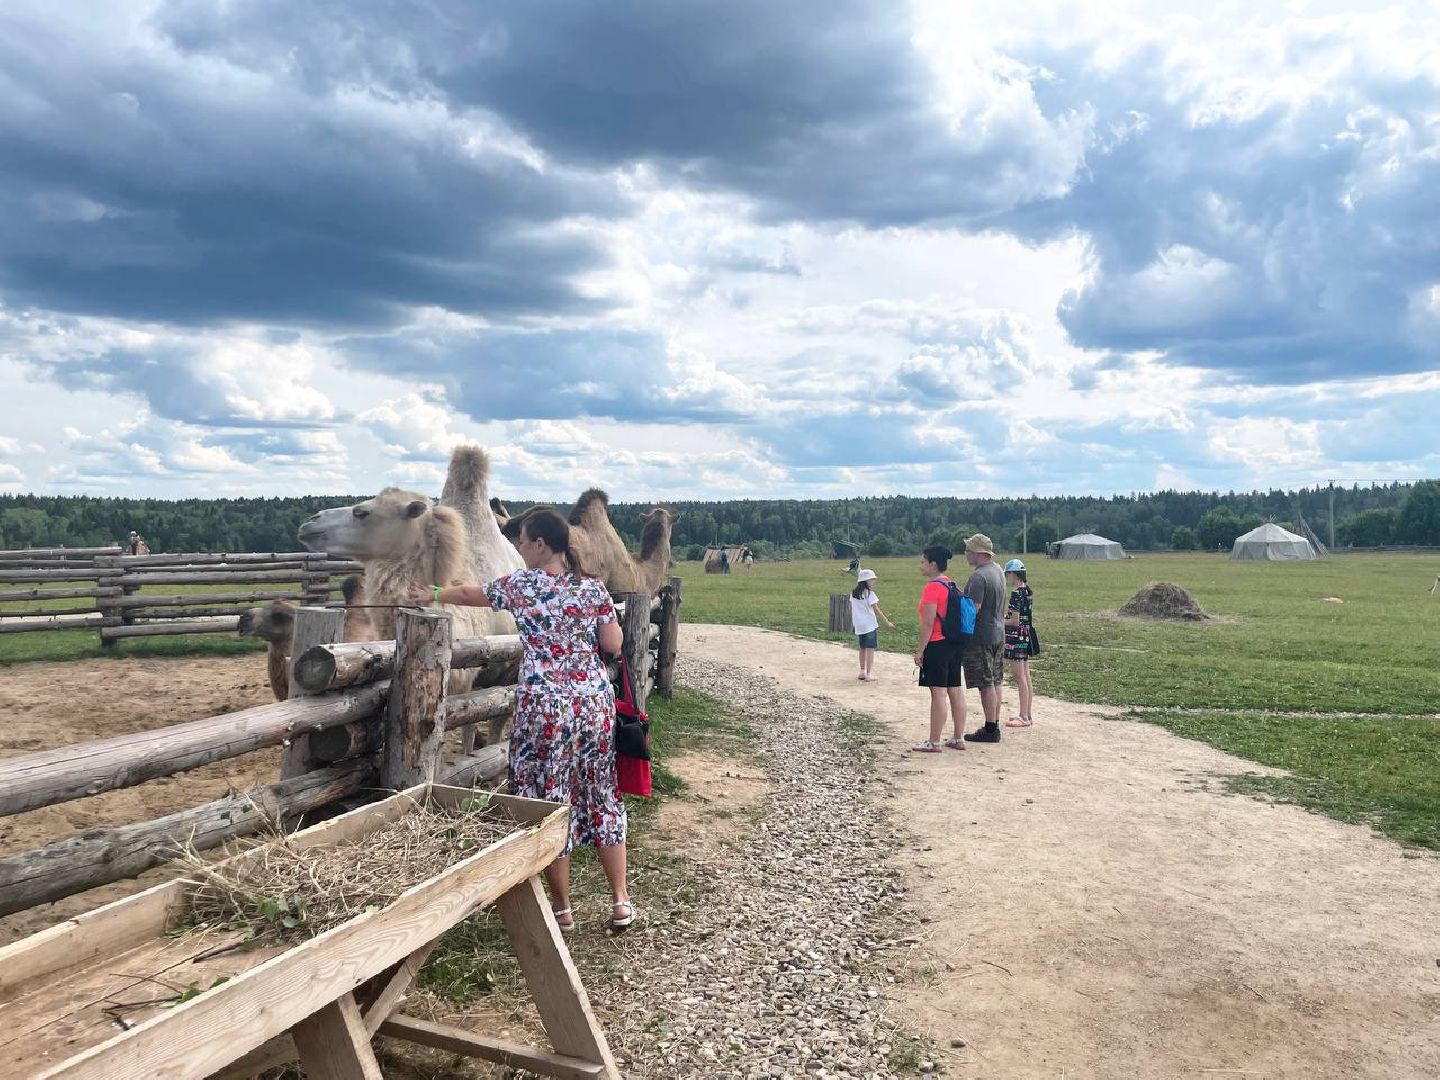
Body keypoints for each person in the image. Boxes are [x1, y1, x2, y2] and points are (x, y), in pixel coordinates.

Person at [406, 508, 634, 932]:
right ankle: (620, 901)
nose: (519, 548)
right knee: (601, 795)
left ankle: (563, 909)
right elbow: (612, 642)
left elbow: (474, 595)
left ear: (541, 545)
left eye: (523, 541)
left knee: (548, 801)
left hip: (544, 708)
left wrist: (433, 592)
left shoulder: (523, 586)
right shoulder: (592, 589)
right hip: (591, 706)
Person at [911, 545, 966, 753]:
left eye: (923, 562)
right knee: (955, 689)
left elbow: (928, 622)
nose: (921, 566)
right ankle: (958, 737)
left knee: (938, 693)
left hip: (937, 643)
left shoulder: (932, 587)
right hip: (954, 644)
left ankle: (934, 742)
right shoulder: (951, 584)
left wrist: (920, 650)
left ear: (933, 565)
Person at [960, 533, 1008, 743]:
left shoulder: (979, 577)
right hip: (998, 633)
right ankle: (994, 723)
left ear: (978, 553)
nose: (966, 554)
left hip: (981, 637)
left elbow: (973, 610)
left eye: (968, 550)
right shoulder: (998, 570)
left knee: (985, 683)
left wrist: (960, 633)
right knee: (996, 680)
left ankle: (990, 729)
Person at [1002, 559, 1036, 728]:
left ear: (1013, 574)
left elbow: (1014, 621)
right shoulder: (1027, 591)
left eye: (1007, 574)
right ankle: (1027, 714)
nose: (1006, 577)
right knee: (1026, 676)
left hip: (1016, 638)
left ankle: (1023, 716)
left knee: (1019, 677)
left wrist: (1000, 621)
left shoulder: (1016, 593)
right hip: (1026, 636)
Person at [850, 568, 895, 682]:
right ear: (866, 581)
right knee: (870, 649)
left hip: (859, 624)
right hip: (869, 624)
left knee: (862, 648)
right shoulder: (870, 594)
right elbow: (876, 610)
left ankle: (862, 671)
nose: (873, 582)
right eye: (872, 580)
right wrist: (887, 622)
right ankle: (869, 674)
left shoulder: (853, 594)